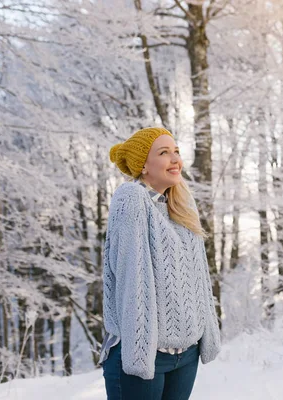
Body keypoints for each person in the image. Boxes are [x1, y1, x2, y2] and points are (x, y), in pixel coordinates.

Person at [99, 127, 221, 400]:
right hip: (141, 356)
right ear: (143, 165)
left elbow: (199, 279)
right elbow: (133, 280)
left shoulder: (181, 206)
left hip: (184, 356)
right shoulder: (130, 199)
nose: (175, 158)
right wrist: (141, 358)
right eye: (164, 152)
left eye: (176, 151)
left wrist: (205, 335)